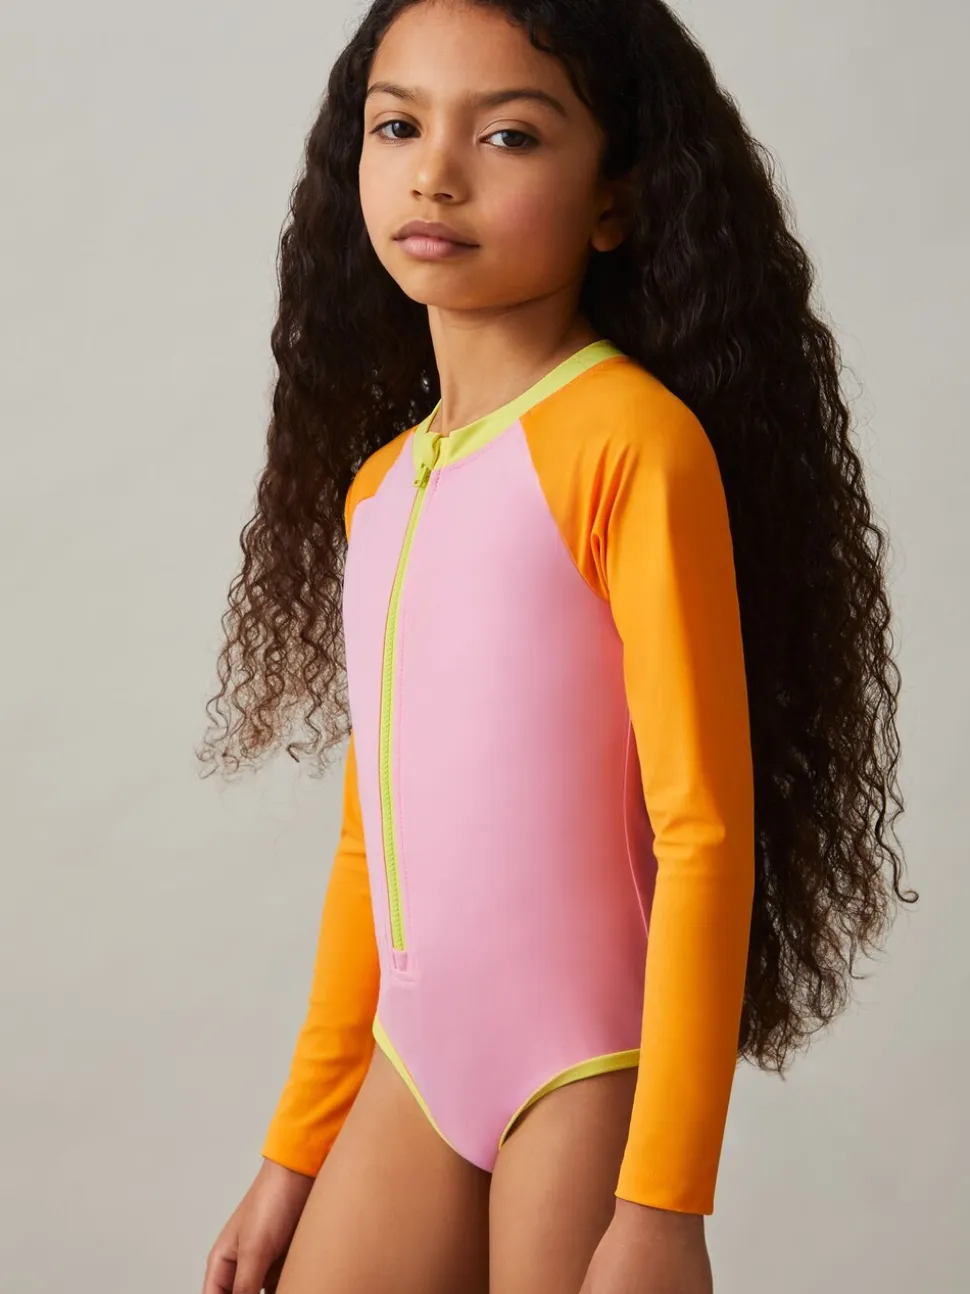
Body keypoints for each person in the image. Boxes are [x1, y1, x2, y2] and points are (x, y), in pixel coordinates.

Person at [199, 0, 914, 1291]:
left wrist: (664, 1203)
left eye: (509, 136)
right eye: (398, 126)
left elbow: (703, 832)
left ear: (615, 201)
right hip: (411, 1063)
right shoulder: (378, 492)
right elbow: (371, 843)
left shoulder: (631, 445)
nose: (436, 172)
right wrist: (293, 1155)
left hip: (583, 1071)